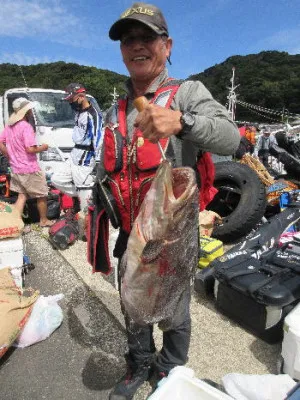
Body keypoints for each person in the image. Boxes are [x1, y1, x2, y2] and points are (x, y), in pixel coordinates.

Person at [98, 3, 240, 399]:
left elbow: (231, 138)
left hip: (173, 236)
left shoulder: (188, 92)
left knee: (175, 312)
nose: (136, 46)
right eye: (128, 40)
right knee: (132, 303)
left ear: (167, 44)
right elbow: (106, 166)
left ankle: (169, 368)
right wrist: (90, 206)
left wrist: (180, 121)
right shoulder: (116, 107)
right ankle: (138, 361)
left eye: (147, 37)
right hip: (131, 231)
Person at [0, 97, 54, 227]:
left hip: (16, 168)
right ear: (26, 112)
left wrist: (8, 155)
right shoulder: (26, 127)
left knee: (22, 196)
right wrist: (44, 147)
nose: (31, 111)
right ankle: (44, 220)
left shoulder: (9, 127)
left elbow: (1, 142)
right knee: (42, 194)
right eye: (29, 109)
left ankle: (15, 222)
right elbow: (30, 149)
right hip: (30, 168)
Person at [51, 83, 103, 215]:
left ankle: (87, 228)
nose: (70, 103)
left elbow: (98, 138)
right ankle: (84, 193)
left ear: (80, 97)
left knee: (86, 207)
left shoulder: (94, 115)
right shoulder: (78, 113)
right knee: (56, 179)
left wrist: (98, 162)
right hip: (74, 154)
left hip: (86, 158)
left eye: (71, 100)